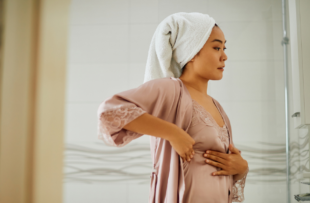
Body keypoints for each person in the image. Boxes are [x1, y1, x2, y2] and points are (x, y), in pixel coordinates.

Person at [97, 12, 249, 203]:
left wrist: (241, 168)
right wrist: (172, 133)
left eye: (224, 48)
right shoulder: (170, 89)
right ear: (192, 51)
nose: (224, 56)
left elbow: (224, 168)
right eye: (217, 47)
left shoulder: (217, 107)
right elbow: (109, 112)